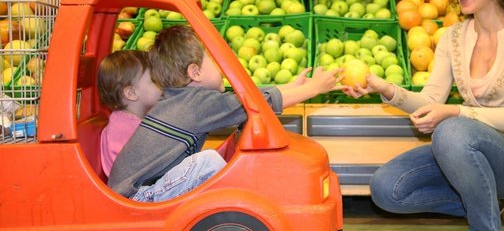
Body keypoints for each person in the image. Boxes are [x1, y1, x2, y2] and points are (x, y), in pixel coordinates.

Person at [343, 0, 504, 231]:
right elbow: (431, 101)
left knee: (451, 130)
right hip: (461, 153)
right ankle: (487, 201)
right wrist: (385, 88)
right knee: (387, 189)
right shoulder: (453, 37)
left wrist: (455, 112)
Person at [107, 25, 343, 202]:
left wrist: (293, 87)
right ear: (195, 72)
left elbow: (248, 96)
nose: (220, 67)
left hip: (135, 192)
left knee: (210, 162)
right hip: (136, 198)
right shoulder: (195, 105)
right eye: (213, 60)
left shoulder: (179, 99)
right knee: (207, 161)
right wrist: (313, 89)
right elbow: (256, 104)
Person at [98, 50, 163, 178]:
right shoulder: (128, 128)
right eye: (154, 80)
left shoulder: (122, 120)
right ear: (131, 93)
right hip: (138, 192)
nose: (161, 84)